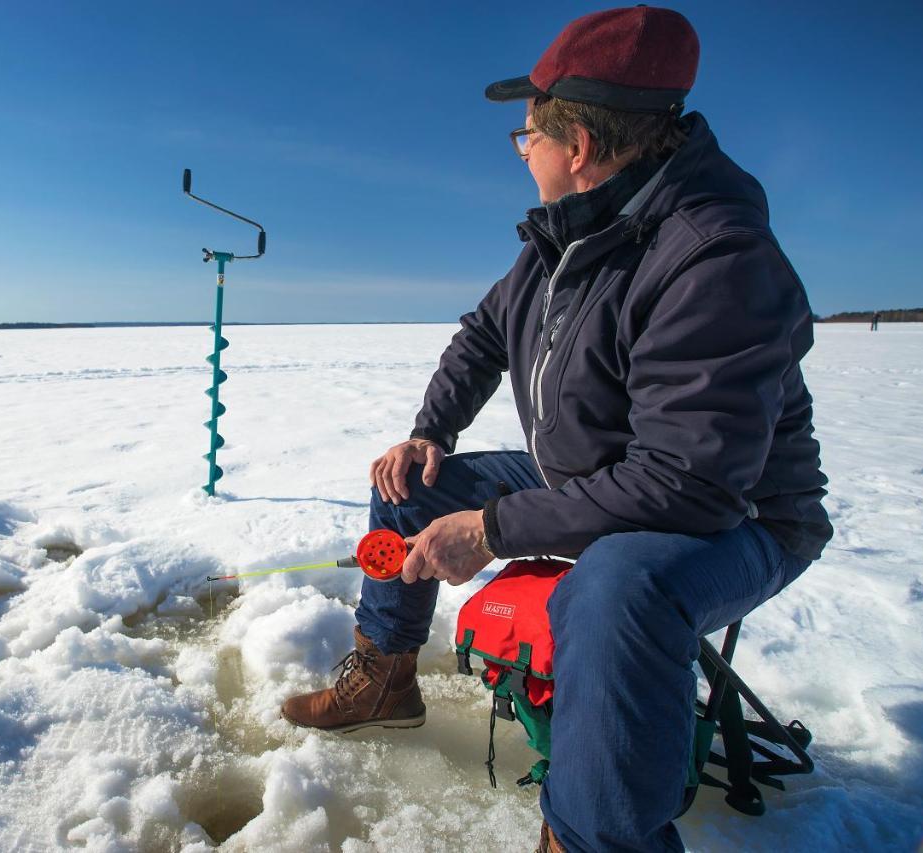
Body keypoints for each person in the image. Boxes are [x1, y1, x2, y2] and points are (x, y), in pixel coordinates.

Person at [279, 6, 832, 852]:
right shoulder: (559, 241)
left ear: (575, 148)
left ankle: (590, 836)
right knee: (408, 486)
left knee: (617, 587)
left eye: (525, 135)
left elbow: (686, 484)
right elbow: (483, 335)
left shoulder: (714, 256)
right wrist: (433, 433)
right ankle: (384, 680)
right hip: (591, 477)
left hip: (740, 517)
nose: (521, 151)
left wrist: (494, 529)